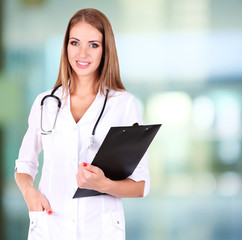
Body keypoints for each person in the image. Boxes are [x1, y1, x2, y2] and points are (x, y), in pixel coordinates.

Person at [14, 8, 149, 240]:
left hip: (100, 229)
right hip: (50, 226)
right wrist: (29, 193)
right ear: (66, 46)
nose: (82, 53)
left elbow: (141, 185)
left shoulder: (123, 104)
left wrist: (104, 184)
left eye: (93, 45)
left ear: (106, 51)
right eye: (75, 43)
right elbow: (25, 165)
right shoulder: (46, 103)